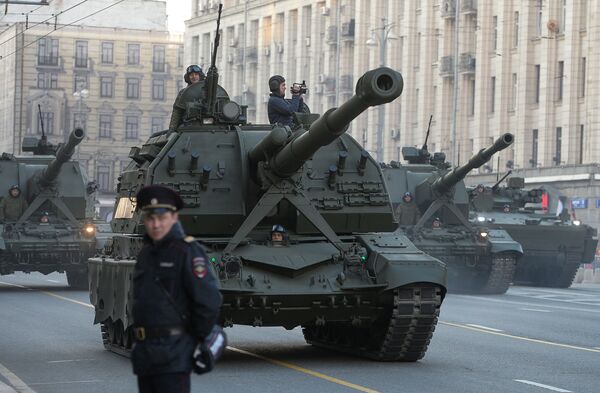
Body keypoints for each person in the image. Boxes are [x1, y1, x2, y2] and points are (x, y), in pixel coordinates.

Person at [131, 185, 222, 393]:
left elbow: (208, 301)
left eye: (161, 218)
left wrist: (194, 342)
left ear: (174, 217)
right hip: (146, 356)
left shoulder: (187, 251)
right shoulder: (146, 254)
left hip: (173, 355)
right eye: (150, 218)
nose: (156, 224)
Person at [168, 65, 205, 133]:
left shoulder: (207, 90)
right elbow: (177, 111)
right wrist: (172, 128)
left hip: (205, 124)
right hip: (188, 124)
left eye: (196, 74)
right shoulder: (183, 93)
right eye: (191, 75)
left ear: (200, 76)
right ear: (188, 77)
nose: (194, 77)